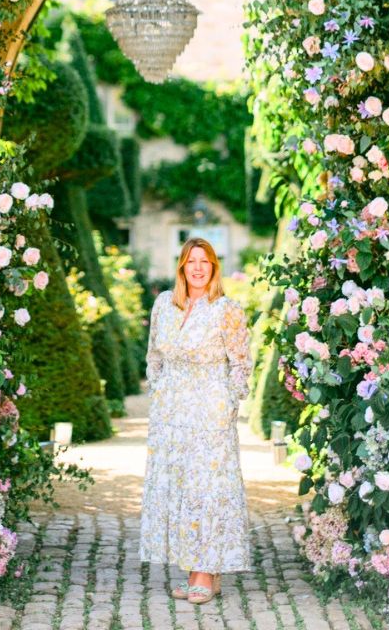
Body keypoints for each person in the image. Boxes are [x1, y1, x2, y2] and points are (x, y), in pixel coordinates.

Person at [139, 236, 251, 605]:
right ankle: (197, 570)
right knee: (181, 491)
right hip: (170, 415)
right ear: (182, 267)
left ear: (214, 268)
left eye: (205, 261)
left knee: (207, 492)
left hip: (210, 413)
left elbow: (241, 364)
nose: (198, 268)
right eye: (191, 261)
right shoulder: (163, 306)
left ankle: (205, 570)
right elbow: (153, 356)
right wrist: (158, 393)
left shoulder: (226, 309)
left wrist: (228, 406)